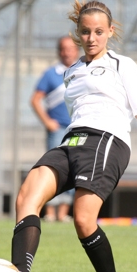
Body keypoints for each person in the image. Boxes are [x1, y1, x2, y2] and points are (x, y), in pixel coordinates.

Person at [10, 0, 137, 272]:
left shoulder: (124, 65)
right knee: (26, 196)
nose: (91, 38)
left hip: (107, 141)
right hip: (72, 141)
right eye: (85, 32)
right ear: (77, 34)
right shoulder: (72, 71)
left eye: (98, 31)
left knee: (83, 218)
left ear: (110, 31)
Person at [30, 36, 79, 222]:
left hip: (76, 129)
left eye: (71, 48)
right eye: (64, 49)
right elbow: (35, 100)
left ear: (76, 50)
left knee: (74, 168)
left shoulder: (83, 71)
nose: (67, 52)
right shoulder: (51, 74)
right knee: (52, 168)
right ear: (59, 51)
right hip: (58, 129)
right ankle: (50, 212)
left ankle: (64, 212)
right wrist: (47, 121)